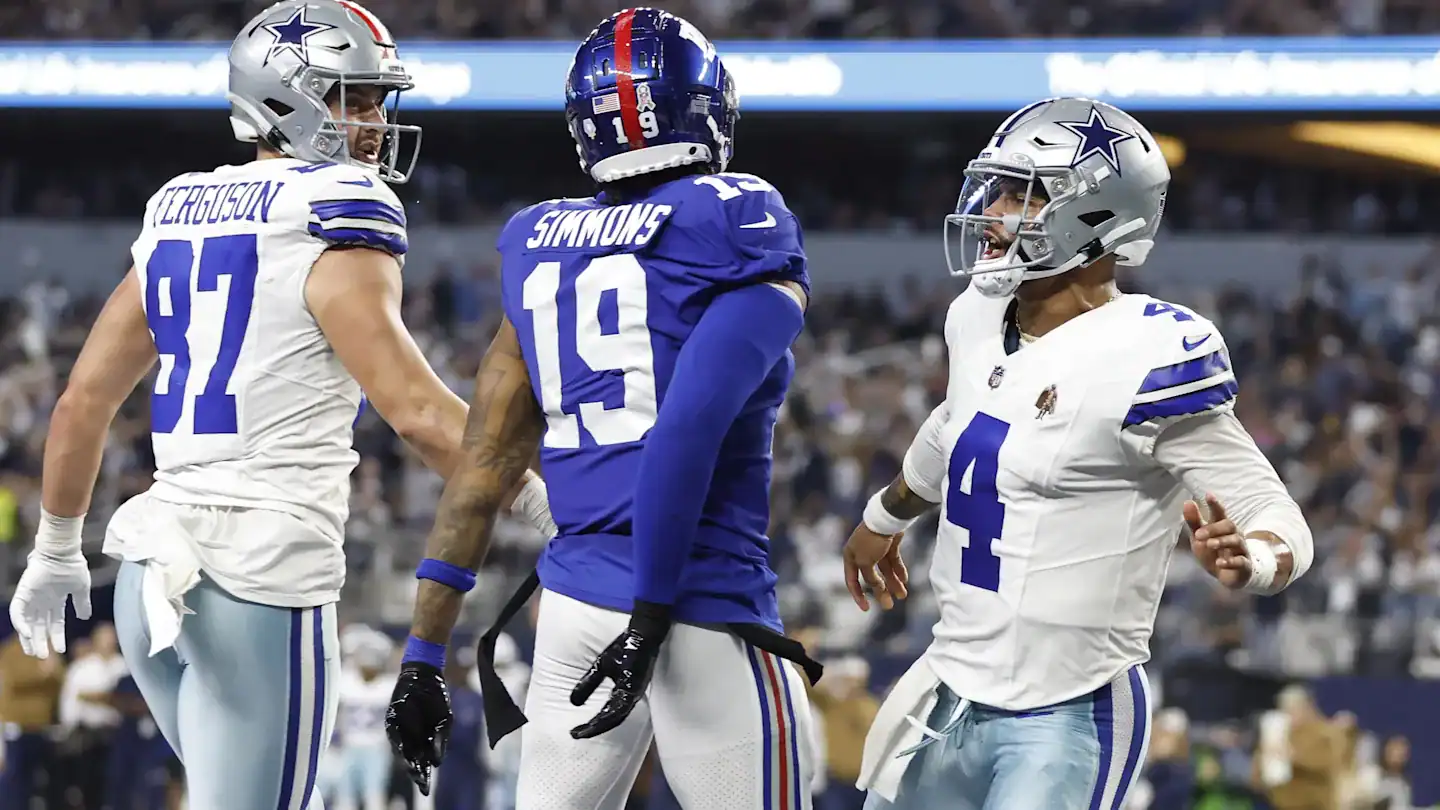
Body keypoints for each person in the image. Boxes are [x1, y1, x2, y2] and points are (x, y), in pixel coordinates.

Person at [7, 2, 550, 808]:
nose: (371, 122)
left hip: (148, 571)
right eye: (350, 99)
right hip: (257, 579)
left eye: (374, 101)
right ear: (285, 97)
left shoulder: (177, 210)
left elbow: (84, 399)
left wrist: (55, 546)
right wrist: (550, 510)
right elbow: (417, 413)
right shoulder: (333, 211)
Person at [385, 8, 822, 809]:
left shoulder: (538, 240)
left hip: (575, 608)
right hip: (697, 603)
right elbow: (683, 433)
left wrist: (423, 650)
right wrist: (651, 615)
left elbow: (484, 467)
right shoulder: (736, 217)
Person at [843, 97, 1316, 810]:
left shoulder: (1149, 354)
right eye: (996, 188)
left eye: (1020, 194)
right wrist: (886, 516)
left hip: (1067, 710)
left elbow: (1271, 509)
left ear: (1093, 217)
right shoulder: (976, 313)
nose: (993, 210)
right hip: (949, 686)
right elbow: (957, 424)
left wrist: (1253, 558)